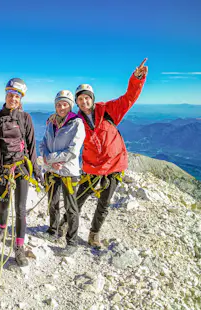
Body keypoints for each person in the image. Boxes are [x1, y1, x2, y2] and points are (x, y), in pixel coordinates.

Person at [72, 58, 148, 248]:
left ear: (92, 98)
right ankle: (67, 225)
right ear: (77, 102)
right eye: (80, 99)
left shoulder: (108, 110)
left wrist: (137, 78)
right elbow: (60, 123)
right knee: (78, 198)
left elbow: (129, 97)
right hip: (91, 166)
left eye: (86, 97)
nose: (84, 101)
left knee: (104, 203)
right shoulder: (76, 121)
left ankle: (94, 234)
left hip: (114, 165)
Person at [0, 78, 43, 267]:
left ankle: (19, 247)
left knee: (20, 209)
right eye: (11, 95)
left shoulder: (25, 118)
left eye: (17, 96)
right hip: (2, 169)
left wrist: (36, 171)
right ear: (6, 95)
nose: (13, 99)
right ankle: (2, 230)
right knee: (3, 205)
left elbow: (31, 145)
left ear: (21, 99)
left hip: (20, 168)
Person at [40, 90, 85, 256]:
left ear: (70, 105)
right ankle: (53, 231)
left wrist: (50, 158)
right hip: (52, 170)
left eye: (65, 104)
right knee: (52, 203)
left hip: (68, 171)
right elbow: (43, 142)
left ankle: (72, 242)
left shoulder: (77, 123)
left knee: (71, 207)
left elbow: (73, 150)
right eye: (58, 104)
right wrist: (45, 157)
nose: (61, 107)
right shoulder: (51, 123)